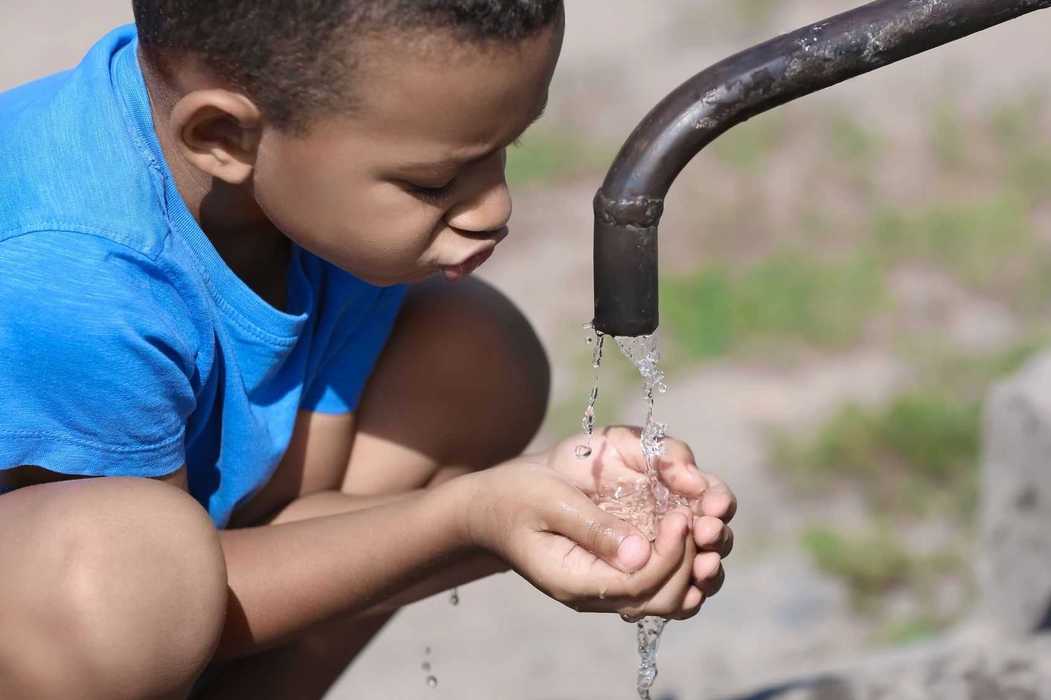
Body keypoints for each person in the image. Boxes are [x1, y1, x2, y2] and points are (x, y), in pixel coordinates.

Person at [0, 2, 736, 697]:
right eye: (436, 180)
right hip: (81, 595)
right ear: (224, 138)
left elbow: (289, 517)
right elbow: (144, 597)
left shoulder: (291, 181)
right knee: (114, 569)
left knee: (475, 357)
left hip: (154, 578)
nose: (494, 209)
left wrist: (543, 508)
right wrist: (467, 521)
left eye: (506, 148)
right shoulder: (73, 270)